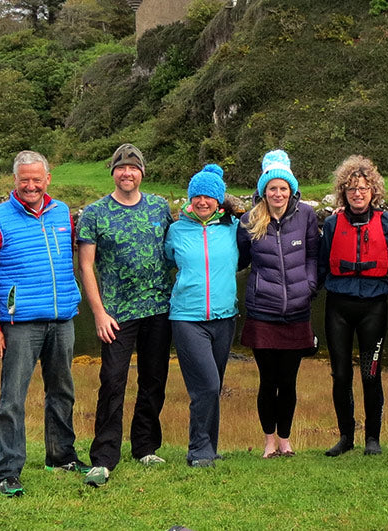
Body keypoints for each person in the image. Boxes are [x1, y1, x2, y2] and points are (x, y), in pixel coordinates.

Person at [0, 150, 87, 497]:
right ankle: (8, 471)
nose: (31, 185)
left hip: (62, 318)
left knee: (62, 392)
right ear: (15, 181)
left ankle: (61, 456)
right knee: (12, 400)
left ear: (48, 179)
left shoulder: (62, 213)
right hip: (19, 324)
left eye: (37, 179)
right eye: (25, 180)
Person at [76, 144, 173, 488]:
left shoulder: (160, 208)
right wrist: (99, 312)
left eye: (133, 168)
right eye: (121, 168)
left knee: (154, 380)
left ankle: (145, 446)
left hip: (159, 309)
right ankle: (104, 458)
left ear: (142, 173)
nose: (127, 173)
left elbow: (179, 247)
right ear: (113, 173)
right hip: (117, 314)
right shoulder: (95, 213)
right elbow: (86, 266)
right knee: (113, 382)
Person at [319, 155, 388, 457]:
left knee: (370, 373)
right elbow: (319, 266)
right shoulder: (331, 224)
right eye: (352, 189)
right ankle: (345, 437)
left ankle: (373, 438)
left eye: (364, 189)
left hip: (374, 307)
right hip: (338, 307)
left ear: (373, 192)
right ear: (343, 192)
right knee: (341, 374)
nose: (358, 194)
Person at [237, 150, 320, 458]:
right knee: (267, 380)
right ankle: (269, 440)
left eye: (283, 187)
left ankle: (285, 440)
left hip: (297, 311)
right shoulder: (249, 220)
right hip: (262, 311)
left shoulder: (307, 215)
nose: (278, 193)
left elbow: (314, 255)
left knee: (288, 381)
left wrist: (310, 286)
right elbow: (241, 259)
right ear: (263, 190)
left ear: (291, 189)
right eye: (272, 187)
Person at [164, 164, 239, 467]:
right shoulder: (176, 230)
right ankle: (198, 449)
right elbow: (168, 260)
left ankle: (211, 447)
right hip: (187, 317)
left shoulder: (233, 228)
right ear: (190, 199)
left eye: (209, 197)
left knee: (214, 385)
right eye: (198, 196)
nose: (203, 202)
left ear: (218, 200)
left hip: (225, 316)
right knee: (205, 385)